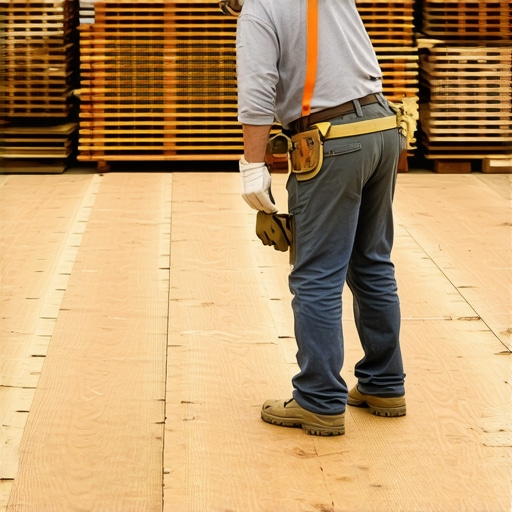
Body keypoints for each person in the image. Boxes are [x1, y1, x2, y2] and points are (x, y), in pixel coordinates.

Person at [234, 0, 406, 436]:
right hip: (382, 129)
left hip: (331, 143)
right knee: (372, 262)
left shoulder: (258, 10)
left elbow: (256, 91)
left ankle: (319, 400)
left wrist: (253, 165)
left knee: (316, 275)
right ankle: (384, 385)